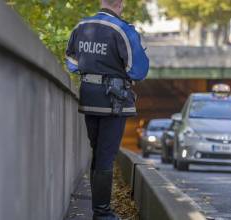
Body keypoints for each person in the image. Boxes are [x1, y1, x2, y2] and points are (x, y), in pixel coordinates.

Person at [65, 0, 149, 219]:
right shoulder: (123, 30)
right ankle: (102, 213)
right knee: (105, 156)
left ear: (102, 2)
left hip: (88, 98)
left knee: (97, 152)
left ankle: (99, 210)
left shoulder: (81, 26)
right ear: (120, 4)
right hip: (113, 102)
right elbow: (138, 70)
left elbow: (72, 62)